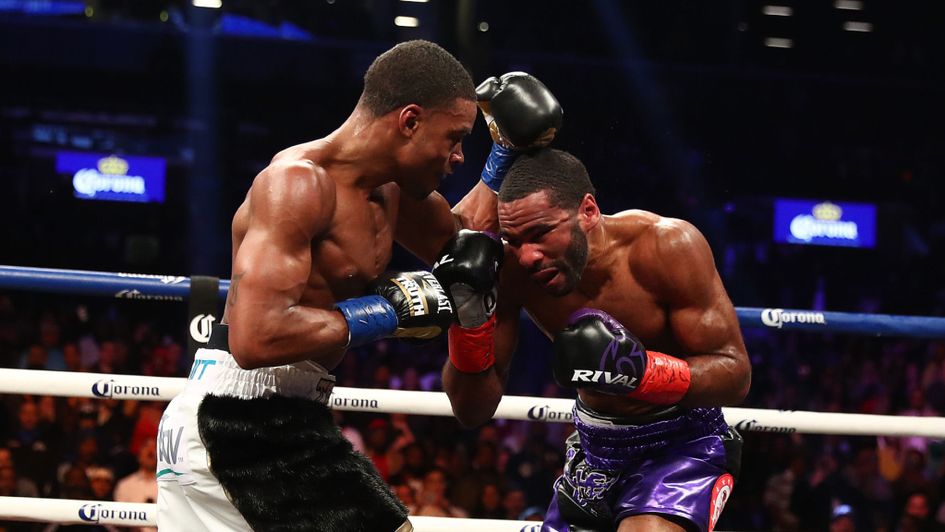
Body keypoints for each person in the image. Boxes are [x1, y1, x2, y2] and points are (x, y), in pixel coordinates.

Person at [156, 40, 485, 532]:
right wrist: (387, 314)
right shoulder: (297, 184)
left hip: (283, 416)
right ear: (410, 121)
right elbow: (254, 337)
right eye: (454, 138)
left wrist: (508, 154)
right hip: (236, 419)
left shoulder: (391, 191)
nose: (459, 157)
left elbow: (464, 244)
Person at [434, 148, 751, 532]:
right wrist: (469, 322)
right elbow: (472, 410)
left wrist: (643, 371)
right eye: (514, 240)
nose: (528, 256)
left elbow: (735, 376)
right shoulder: (514, 272)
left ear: (588, 211)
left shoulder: (665, 247)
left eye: (540, 234)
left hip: (682, 442)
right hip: (593, 447)